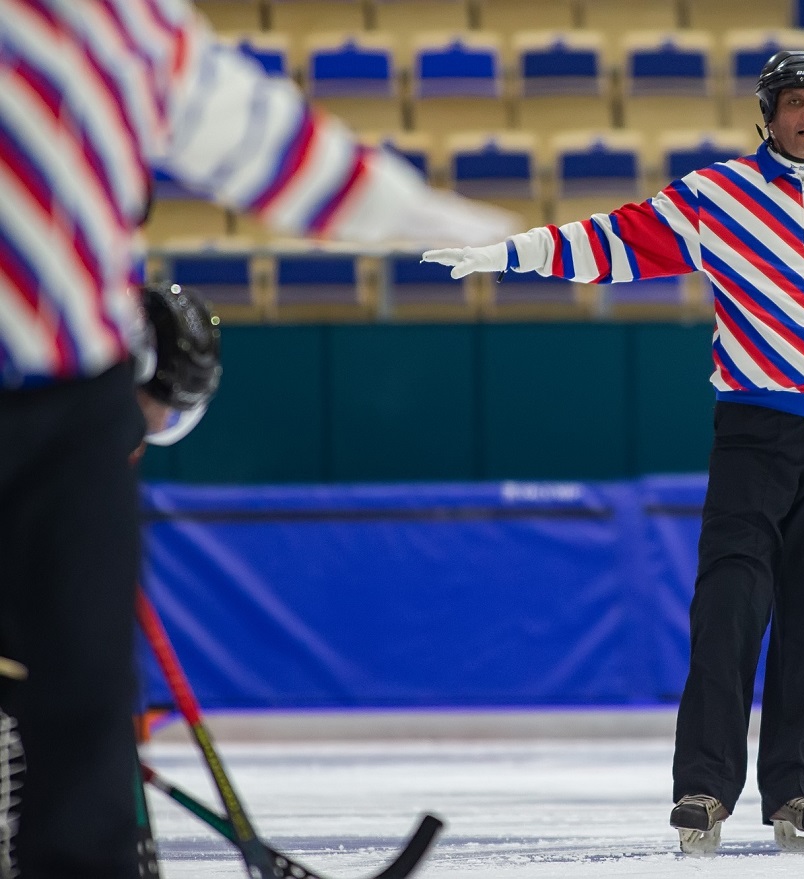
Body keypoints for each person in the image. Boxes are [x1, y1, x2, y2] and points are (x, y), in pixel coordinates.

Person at [0, 0, 513, 875]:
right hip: (66, 399)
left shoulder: (129, 25)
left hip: (73, 402)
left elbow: (272, 146)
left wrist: (451, 225)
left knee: (80, 706)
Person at [424, 49, 804, 854]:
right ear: (765, 115)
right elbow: (614, 241)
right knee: (728, 609)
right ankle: (704, 789)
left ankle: (796, 790)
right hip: (754, 430)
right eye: (794, 102)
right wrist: (510, 252)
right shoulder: (718, 196)